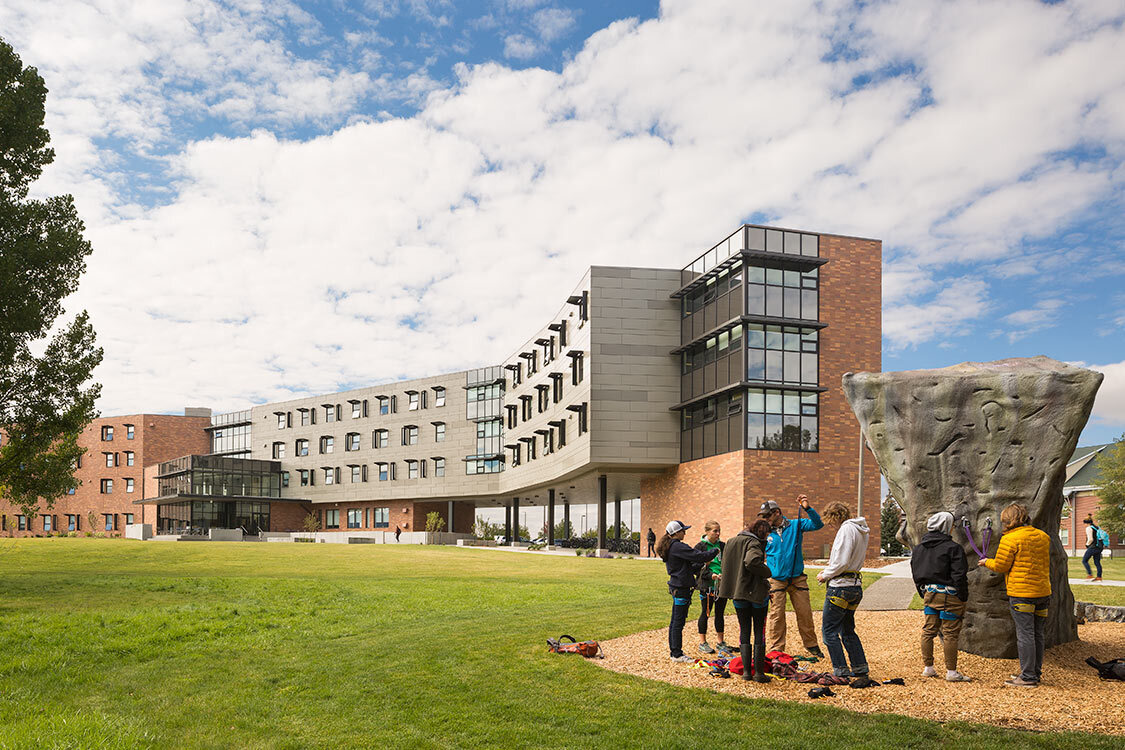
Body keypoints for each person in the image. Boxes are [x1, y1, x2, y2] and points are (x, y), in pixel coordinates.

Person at [979, 503, 1051, 688]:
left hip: (1022, 594)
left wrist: (987, 562)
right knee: (1037, 634)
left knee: (1025, 634)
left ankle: (1027, 677)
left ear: (1008, 521)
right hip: (1043, 592)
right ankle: (1034, 672)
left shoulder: (1010, 539)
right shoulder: (1043, 537)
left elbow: (1001, 566)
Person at [910, 511, 971, 682]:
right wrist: (962, 596)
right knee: (950, 633)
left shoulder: (919, 548)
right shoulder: (954, 548)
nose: (953, 527)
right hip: (950, 595)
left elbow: (916, 572)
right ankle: (951, 672)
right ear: (946, 527)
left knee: (929, 630)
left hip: (930, 593)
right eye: (952, 524)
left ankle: (928, 667)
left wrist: (923, 593)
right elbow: (960, 575)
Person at [760, 495, 824, 657]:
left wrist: (807, 508)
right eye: (763, 516)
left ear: (777, 513)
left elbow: (818, 524)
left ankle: (811, 646)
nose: (765, 519)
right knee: (776, 616)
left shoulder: (796, 525)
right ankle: (776, 649)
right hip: (776, 580)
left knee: (805, 614)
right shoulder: (764, 532)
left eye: (767, 515)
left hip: (797, 578)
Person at [816, 502, 870, 679]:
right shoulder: (861, 530)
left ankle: (840, 670)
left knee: (829, 632)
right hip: (855, 586)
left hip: (840, 587)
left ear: (835, 517)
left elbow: (841, 562)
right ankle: (860, 667)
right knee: (847, 629)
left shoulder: (846, 530)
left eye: (830, 522)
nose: (830, 527)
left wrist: (825, 574)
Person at [718, 519, 774, 682]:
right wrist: (767, 572)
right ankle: (758, 673)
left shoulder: (731, 541)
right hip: (756, 594)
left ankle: (746, 673)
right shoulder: (754, 543)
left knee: (744, 630)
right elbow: (751, 561)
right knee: (758, 631)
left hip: (737, 594)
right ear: (762, 532)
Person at [657, 520, 720, 662]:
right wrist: (714, 551)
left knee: (676, 622)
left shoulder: (671, 547)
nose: (685, 532)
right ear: (675, 533)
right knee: (678, 622)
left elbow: (688, 568)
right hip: (681, 588)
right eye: (683, 530)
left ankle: (675, 651)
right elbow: (698, 555)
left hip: (677, 587)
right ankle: (676, 654)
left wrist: (703, 564)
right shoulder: (677, 546)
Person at [694, 521, 733, 655]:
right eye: (714, 531)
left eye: (719, 530)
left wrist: (724, 573)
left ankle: (720, 642)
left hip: (721, 585)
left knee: (720, 613)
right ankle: (702, 643)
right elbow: (695, 567)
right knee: (706, 612)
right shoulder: (700, 547)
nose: (718, 533)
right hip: (707, 586)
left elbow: (728, 563)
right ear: (707, 532)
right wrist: (711, 575)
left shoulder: (722, 546)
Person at [1082, 515, 1104, 581]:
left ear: (1087, 523)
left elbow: (1090, 539)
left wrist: (1087, 544)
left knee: (1084, 560)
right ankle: (1099, 577)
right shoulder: (1096, 527)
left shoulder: (1089, 528)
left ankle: (1090, 575)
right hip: (1099, 547)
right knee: (1097, 562)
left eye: (1084, 523)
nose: (1084, 525)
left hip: (1093, 547)